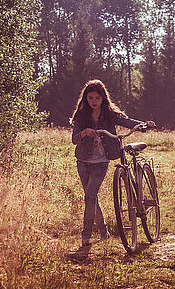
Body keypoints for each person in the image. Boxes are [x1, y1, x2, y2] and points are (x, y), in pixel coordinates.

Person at [70, 79, 156, 247]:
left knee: (90, 196)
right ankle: (103, 231)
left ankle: (85, 237)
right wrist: (84, 133)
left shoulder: (110, 114)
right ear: (85, 99)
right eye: (90, 98)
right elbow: (74, 139)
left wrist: (143, 125)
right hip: (83, 162)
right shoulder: (81, 116)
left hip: (101, 162)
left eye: (97, 98)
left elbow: (127, 121)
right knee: (91, 198)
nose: (94, 101)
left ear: (103, 98)